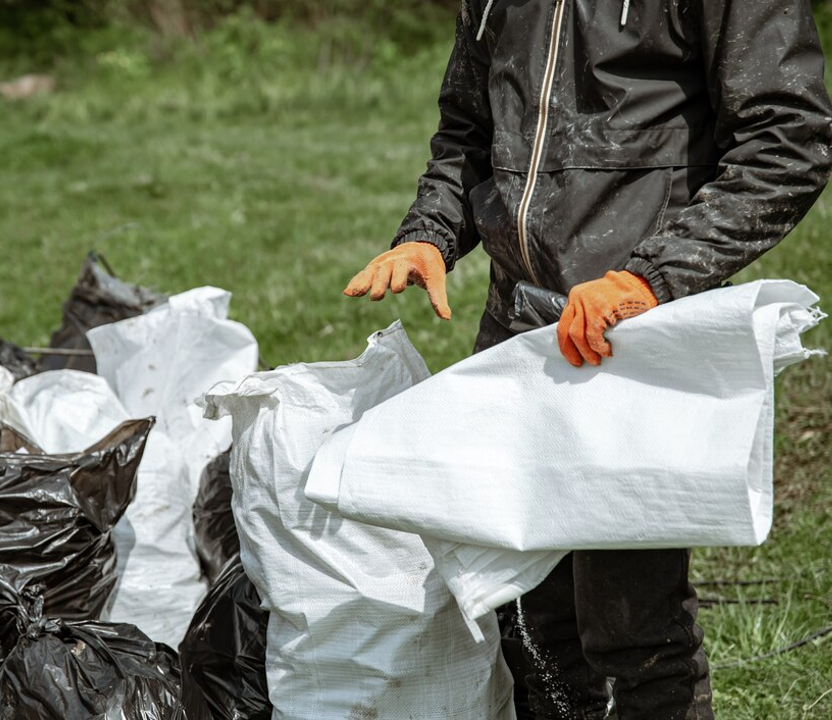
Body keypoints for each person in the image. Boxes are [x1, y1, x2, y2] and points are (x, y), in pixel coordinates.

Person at [343, 0, 832, 718]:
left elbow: (789, 141)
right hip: (520, 329)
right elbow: (468, 131)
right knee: (526, 618)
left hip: (635, 334)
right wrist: (430, 232)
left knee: (631, 629)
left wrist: (652, 277)